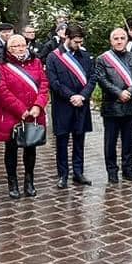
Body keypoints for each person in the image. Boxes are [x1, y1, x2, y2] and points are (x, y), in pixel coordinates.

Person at [0, 33, 50, 197]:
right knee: (11, 149)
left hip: (34, 113)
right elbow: (2, 90)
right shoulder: (1, 65)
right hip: (11, 114)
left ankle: (29, 180)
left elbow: (44, 85)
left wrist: (38, 105)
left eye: (22, 45)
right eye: (15, 46)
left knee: (30, 148)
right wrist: (21, 109)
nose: (19, 49)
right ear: (8, 49)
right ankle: (12, 182)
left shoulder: (36, 62)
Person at [45, 22, 96, 188]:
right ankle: (63, 174)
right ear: (66, 37)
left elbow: (92, 78)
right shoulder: (54, 57)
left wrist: (82, 96)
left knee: (79, 139)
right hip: (63, 105)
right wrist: (71, 96)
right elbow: (54, 82)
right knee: (62, 141)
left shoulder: (86, 56)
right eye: (76, 42)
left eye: (81, 42)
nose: (79, 45)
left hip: (81, 103)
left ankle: (78, 172)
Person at [94, 27, 132, 184]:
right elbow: (102, 80)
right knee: (110, 142)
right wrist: (119, 93)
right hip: (111, 106)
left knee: (129, 141)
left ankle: (128, 169)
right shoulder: (102, 59)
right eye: (116, 38)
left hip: (130, 106)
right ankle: (112, 171)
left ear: (127, 40)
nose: (119, 41)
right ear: (111, 41)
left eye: (122, 38)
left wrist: (129, 92)